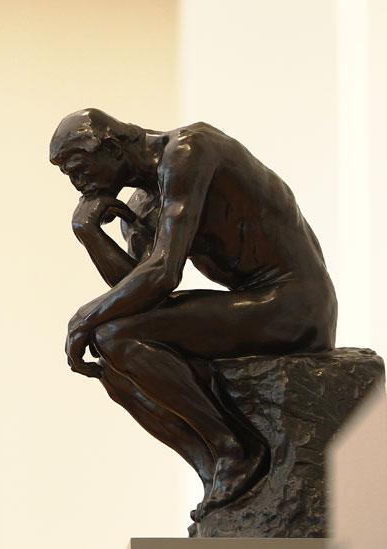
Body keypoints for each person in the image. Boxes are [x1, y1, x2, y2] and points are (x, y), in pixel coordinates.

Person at [49, 108, 337, 518]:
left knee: (113, 336)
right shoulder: (143, 207)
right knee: (112, 353)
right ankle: (214, 466)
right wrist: (90, 235)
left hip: (295, 304)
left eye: (79, 169)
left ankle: (236, 449)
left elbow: (164, 274)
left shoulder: (189, 151)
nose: (78, 184)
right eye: (69, 177)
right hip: (255, 305)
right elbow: (143, 296)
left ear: (111, 147)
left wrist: (84, 318)